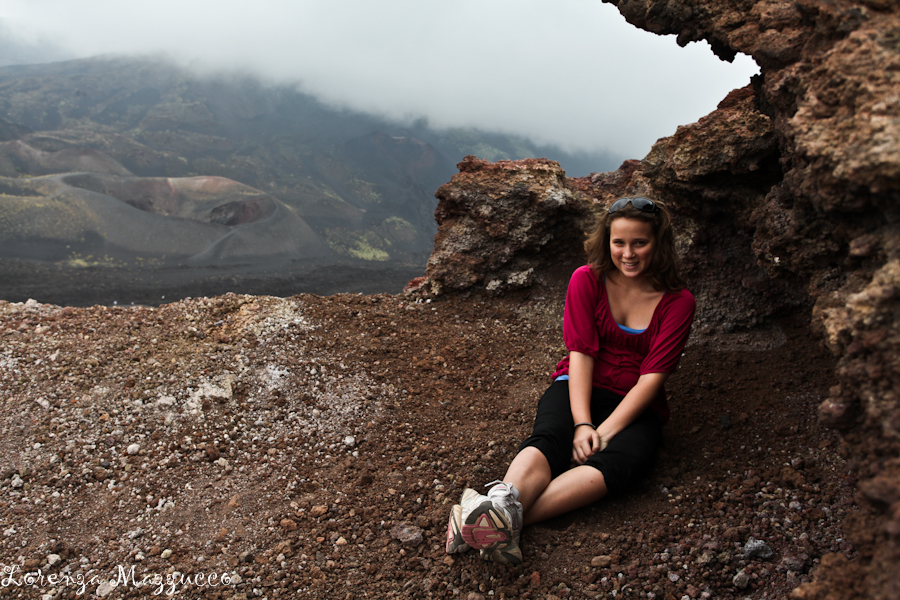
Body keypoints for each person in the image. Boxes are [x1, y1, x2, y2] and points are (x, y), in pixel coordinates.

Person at [445, 196, 696, 564]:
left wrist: (604, 433)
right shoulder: (587, 280)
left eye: (639, 242)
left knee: (617, 464)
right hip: (577, 386)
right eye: (619, 242)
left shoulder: (679, 302)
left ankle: (483, 520)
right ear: (607, 241)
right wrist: (582, 423)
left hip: (637, 406)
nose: (628, 253)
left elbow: (651, 379)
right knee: (549, 440)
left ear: (658, 243)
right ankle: (498, 509)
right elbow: (582, 354)